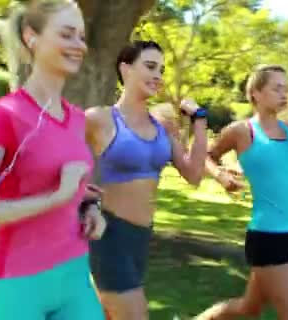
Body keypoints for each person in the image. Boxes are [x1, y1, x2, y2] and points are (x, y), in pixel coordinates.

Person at [0, 1, 106, 318]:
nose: (78, 45)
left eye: (81, 36)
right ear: (30, 37)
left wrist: (90, 208)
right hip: (18, 285)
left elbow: (74, 188)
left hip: (74, 276)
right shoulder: (0, 117)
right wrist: (55, 198)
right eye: (66, 34)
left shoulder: (77, 120)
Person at [84, 40, 208, 320]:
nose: (157, 76)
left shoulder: (162, 126)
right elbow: (62, 159)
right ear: (125, 70)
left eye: (161, 70)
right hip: (109, 234)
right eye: (150, 66)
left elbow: (193, 174)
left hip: (140, 240)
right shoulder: (99, 119)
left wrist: (199, 122)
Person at [195, 65, 288, 320]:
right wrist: (221, 175)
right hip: (267, 238)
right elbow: (207, 156)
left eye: (286, 88)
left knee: (248, 308)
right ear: (255, 93)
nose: (284, 94)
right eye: (276, 88)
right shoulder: (242, 131)